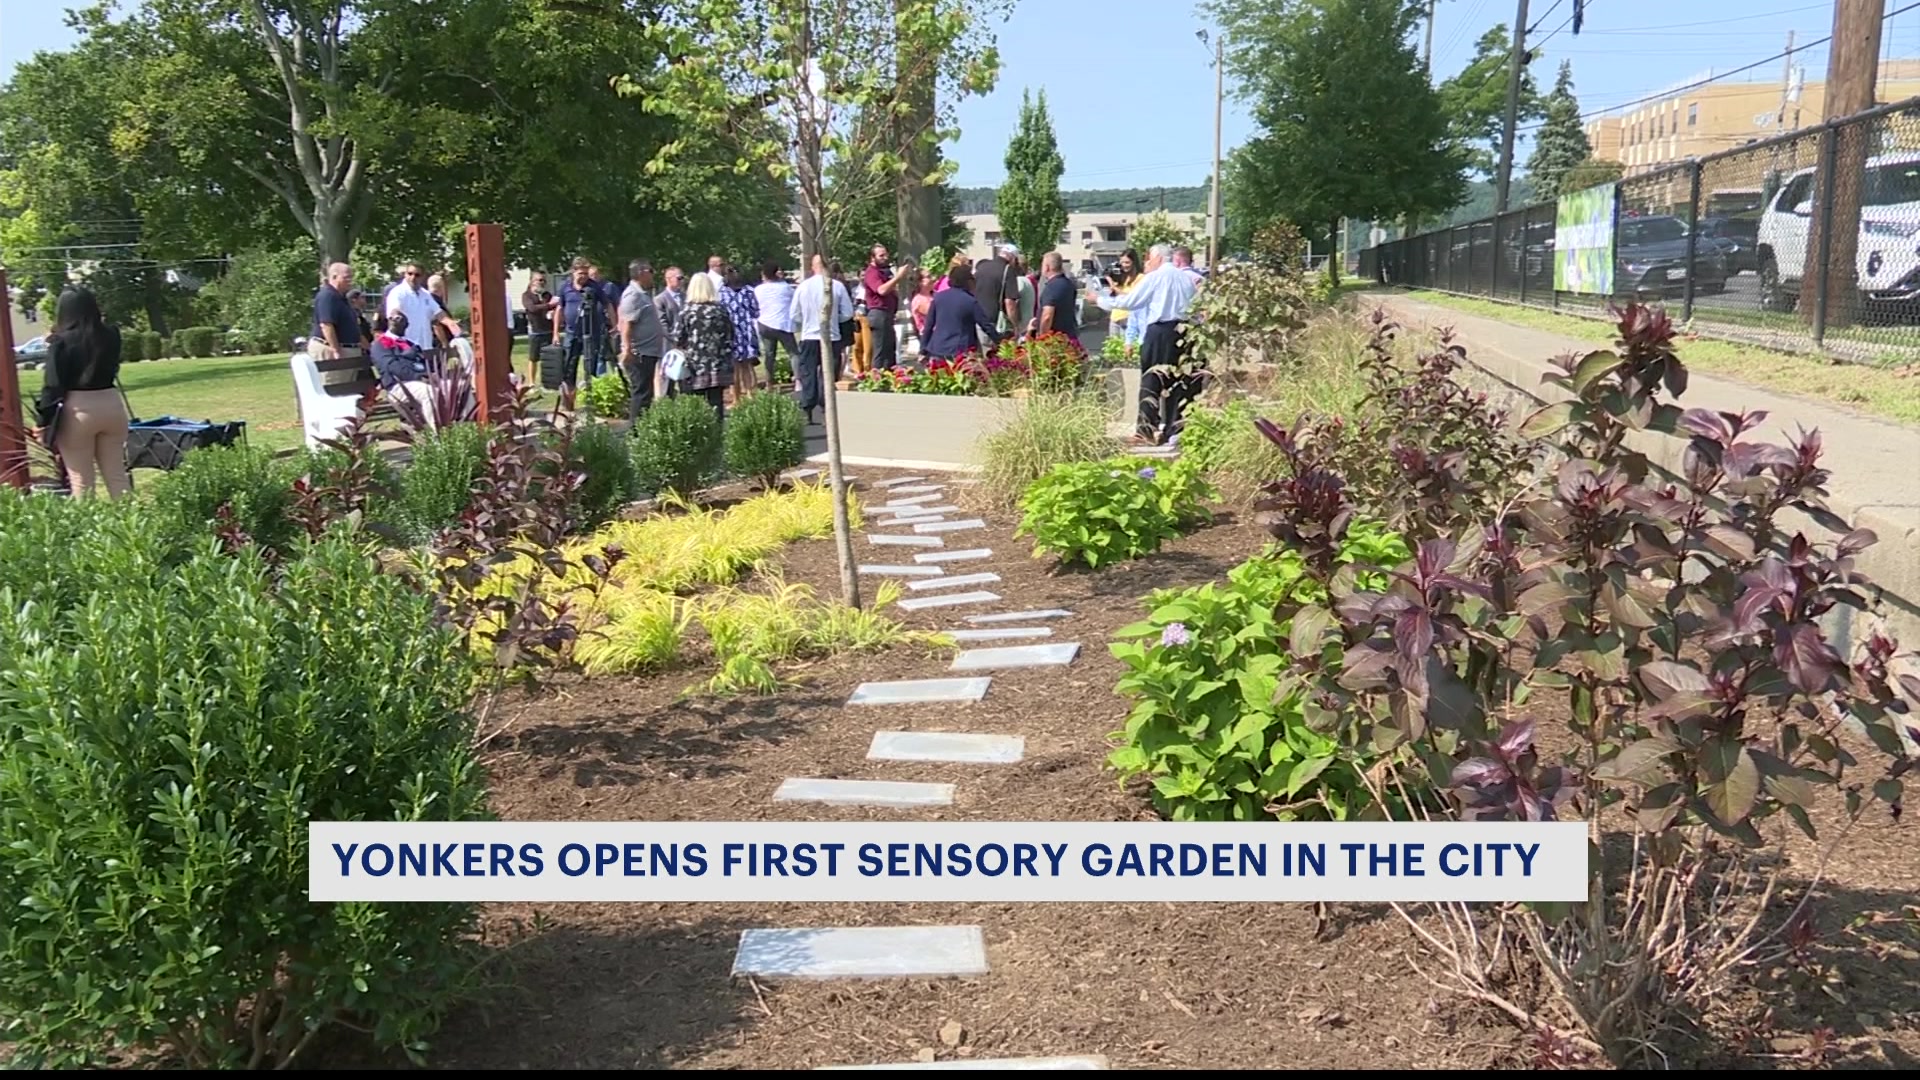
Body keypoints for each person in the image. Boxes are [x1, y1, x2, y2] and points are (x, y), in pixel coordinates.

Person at [1091, 243, 1198, 444]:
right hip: (1184, 331)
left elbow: (1130, 302)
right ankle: (1174, 429)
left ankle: (1146, 429)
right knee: (1177, 381)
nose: (1147, 262)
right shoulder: (1186, 279)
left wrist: (1100, 300)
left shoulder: (1155, 277)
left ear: (1157, 258)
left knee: (1151, 379)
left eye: (1149, 257)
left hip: (1159, 330)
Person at [34, 288, 130, 498]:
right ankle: (133, 523)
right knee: (117, 476)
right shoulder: (111, 335)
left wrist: (43, 421)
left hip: (78, 407)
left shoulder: (61, 342)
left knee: (81, 480)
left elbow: (53, 385)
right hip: (111, 403)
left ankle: (85, 528)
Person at [787, 253, 854, 424]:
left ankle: (807, 409)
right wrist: (834, 320)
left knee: (808, 373)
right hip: (831, 336)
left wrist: (807, 320)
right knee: (828, 374)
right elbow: (847, 313)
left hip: (809, 335)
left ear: (812, 267)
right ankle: (827, 409)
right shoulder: (836, 286)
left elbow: (794, 313)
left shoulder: (803, 287)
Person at [673, 272, 736, 416]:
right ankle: (717, 433)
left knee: (696, 405)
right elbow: (730, 334)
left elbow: (678, 337)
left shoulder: (687, 311)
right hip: (717, 364)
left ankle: (700, 434)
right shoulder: (720, 310)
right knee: (716, 402)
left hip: (694, 365)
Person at [920, 262, 1004, 362]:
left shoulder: (938, 298)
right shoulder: (970, 301)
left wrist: (923, 350)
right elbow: (986, 326)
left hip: (937, 349)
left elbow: (928, 326)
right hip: (961, 351)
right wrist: (1000, 342)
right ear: (968, 282)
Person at [618, 258, 668, 420]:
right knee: (641, 393)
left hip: (648, 352)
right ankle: (636, 431)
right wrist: (627, 349)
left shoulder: (642, 294)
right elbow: (626, 323)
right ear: (641, 273)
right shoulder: (633, 295)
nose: (653, 275)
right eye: (651, 271)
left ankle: (642, 426)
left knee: (646, 393)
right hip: (639, 353)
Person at [557, 258, 614, 386]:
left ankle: (589, 392)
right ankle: (568, 396)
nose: (583, 276)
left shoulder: (594, 287)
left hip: (591, 332)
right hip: (572, 332)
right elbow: (559, 308)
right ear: (573, 272)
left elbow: (608, 304)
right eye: (580, 273)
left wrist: (614, 325)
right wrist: (555, 332)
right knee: (569, 366)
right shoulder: (565, 287)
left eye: (586, 273)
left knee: (591, 365)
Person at [384, 262, 464, 354]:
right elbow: (394, 310)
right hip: (405, 348)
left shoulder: (425, 294)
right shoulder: (397, 292)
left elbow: (438, 313)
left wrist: (450, 323)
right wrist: (396, 315)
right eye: (410, 274)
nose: (413, 277)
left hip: (425, 347)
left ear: (423, 277)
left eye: (417, 275)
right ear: (405, 274)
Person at [861, 244, 910, 370]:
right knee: (881, 351)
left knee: (890, 350)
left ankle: (890, 377)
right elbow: (881, 290)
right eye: (881, 255)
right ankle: (877, 379)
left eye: (886, 254)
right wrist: (898, 277)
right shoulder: (871, 273)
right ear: (872, 258)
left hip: (887, 314)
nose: (885, 257)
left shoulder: (884, 271)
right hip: (878, 313)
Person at [720, 264, 761, 400]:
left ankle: (746, 395)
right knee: (740, 366)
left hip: (741, 331)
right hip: (737, 332)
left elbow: (755, 311)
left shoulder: (723, 293)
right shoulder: (746, 291)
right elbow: (755, 312)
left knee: (743, 365)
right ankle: (740, 396)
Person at [752, 261, 797, 384]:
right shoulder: (786, 288)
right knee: (793, 353)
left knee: (769, 354)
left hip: (764, 324)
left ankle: (769, 382)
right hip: (783, 324)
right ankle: (799, 381)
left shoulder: (758, 289)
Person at [309, 262, 361, 361]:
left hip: (346, 350)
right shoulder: (328, 296)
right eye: (346, 277)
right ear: (334, 276)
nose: (350, 281)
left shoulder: (341, 297)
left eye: (351, 277)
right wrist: (335, 350)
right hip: (331, 350)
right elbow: (326, 325)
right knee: (334, 377)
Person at [972, 243, 1019, 351]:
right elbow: (1009, 303)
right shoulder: (1008, 270)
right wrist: (1015, 325)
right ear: (1012, 258)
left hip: (976, 318)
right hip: (994, 322)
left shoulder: (982, 266)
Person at [521, 271, 560, 383]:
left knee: (550, 357)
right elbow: (532, 308)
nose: (543, 283)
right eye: (540, 280)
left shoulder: (547, 295)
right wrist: (549, 306)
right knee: (533, 358)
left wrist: (553, 310)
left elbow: (556, 307)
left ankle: (549, 381)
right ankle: (532, 382)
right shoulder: (527, 296)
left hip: (549, 330)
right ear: (532, 281)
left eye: (544, 280)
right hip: (535, 331)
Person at [1035, 252, 1080, 344]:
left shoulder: (1052, 286)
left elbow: (1047, 315)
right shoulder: (1068, 284)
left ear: (1047, 267)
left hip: (1055, 338)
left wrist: (1042, 337)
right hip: (1068, 334)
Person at [1105, 248, 1143, 352]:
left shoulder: (1140, 278)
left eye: (1127, 262)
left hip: (1128, 319)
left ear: (1134, 262)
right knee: (1113, 350)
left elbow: (1132, 297)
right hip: (1115, 317)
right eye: (1122, 262)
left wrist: (1115, 287)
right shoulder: (1123, 277)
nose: (1124, 265)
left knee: (1127, 350)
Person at [830, 261, 858, 372]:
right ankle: (844, 369)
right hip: (845, 320)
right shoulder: (843, 284)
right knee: (844, 349)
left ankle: (839, 371)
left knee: (836, 349)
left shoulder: (834, 285)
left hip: (836, 320)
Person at [1009, 253, 1036, 342]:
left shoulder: (1019, 281)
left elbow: (1014, 303)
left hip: (1021, 328)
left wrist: (1014, 325)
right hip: (1028, 325)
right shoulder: (1028, 281)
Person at [655, 266, 687, 342]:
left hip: (686, 341)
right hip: (669, 342)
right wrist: (673, 339)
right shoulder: (660, 300)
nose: (682, 281)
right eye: (679, 278)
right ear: (668, 279)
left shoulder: (686, 297)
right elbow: (662, 324)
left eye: (682, 278)